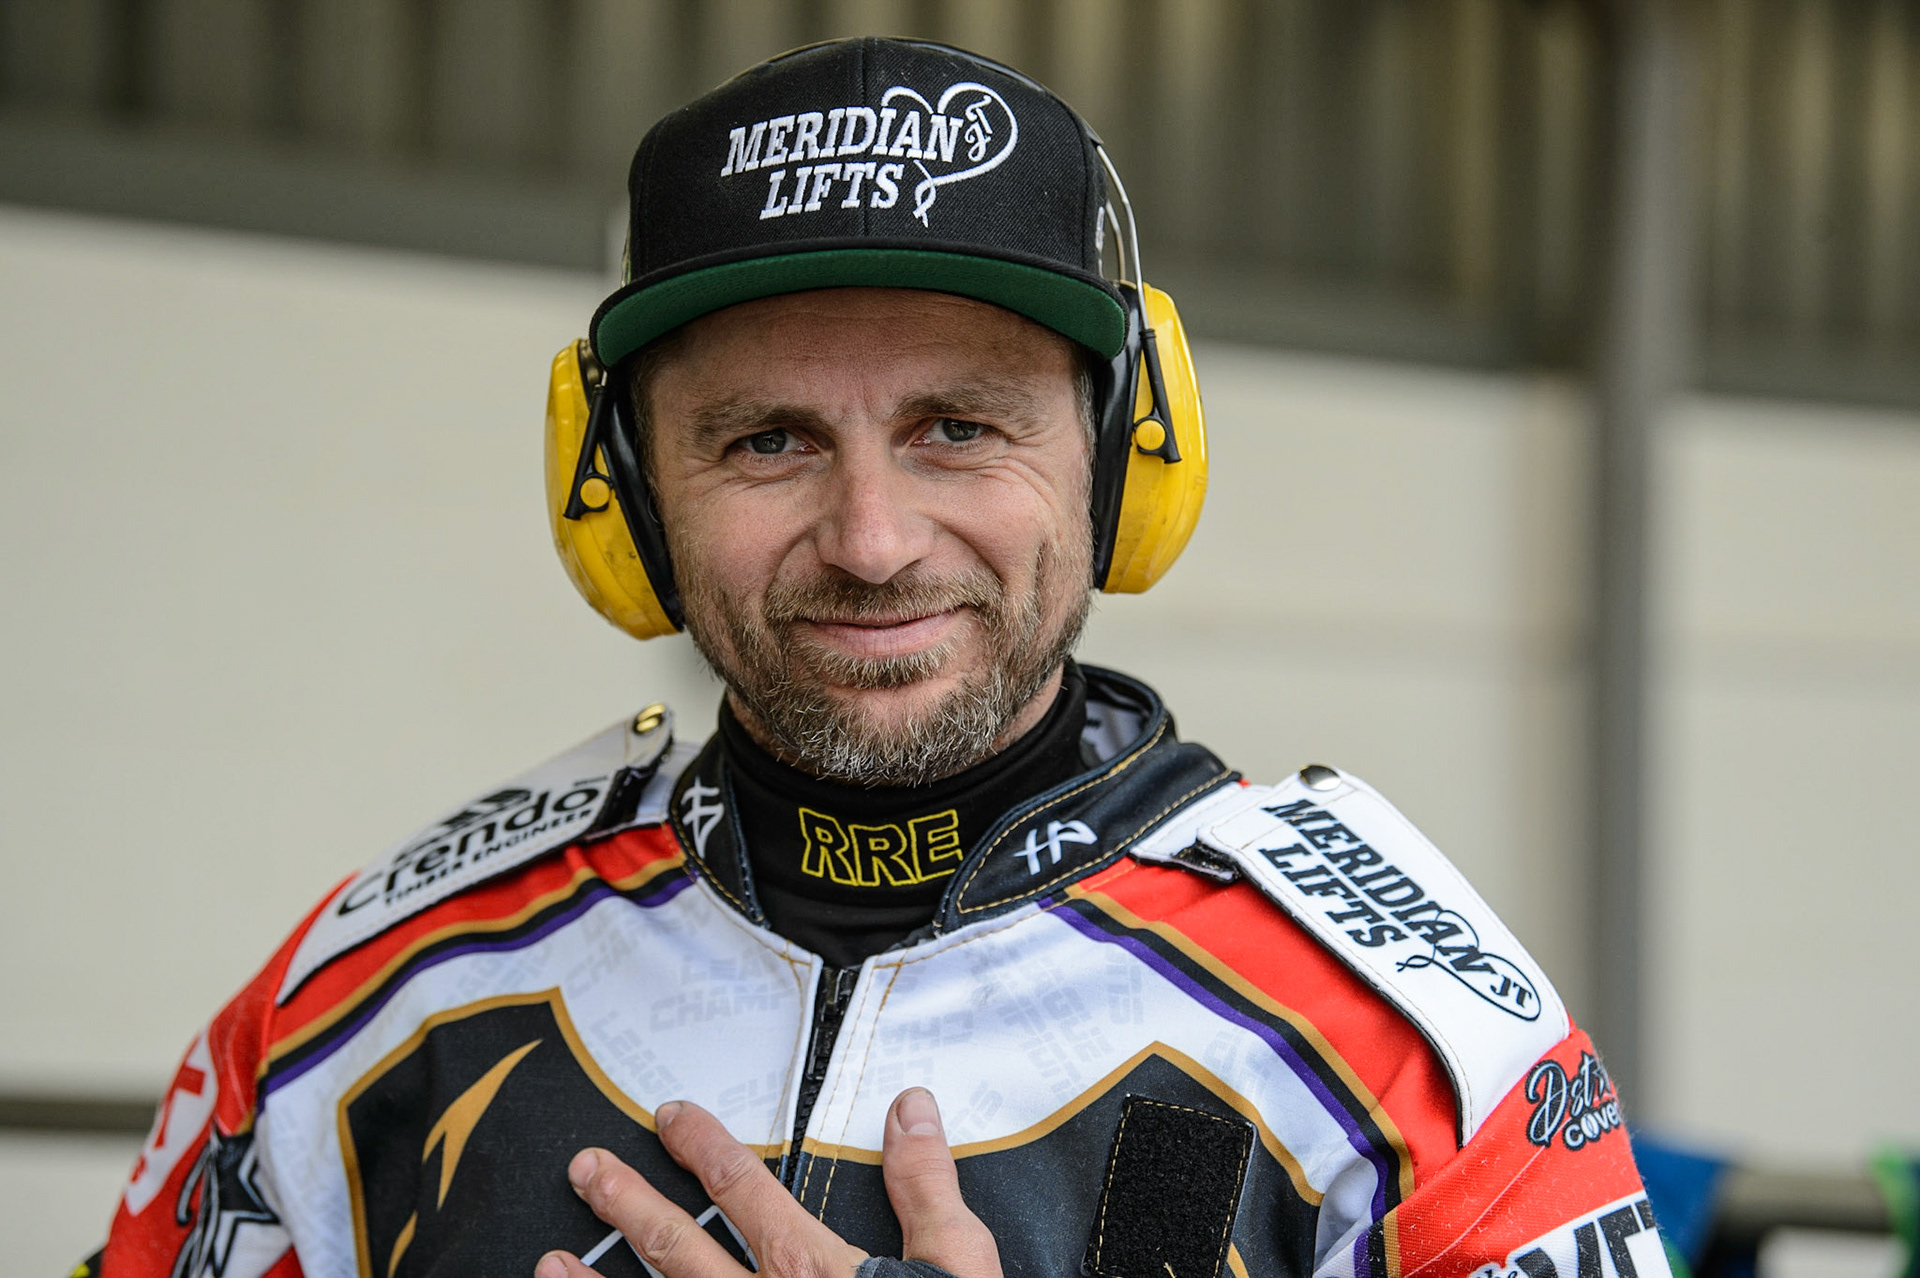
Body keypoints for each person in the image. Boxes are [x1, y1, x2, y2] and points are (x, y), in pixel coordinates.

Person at [80, 37, 1668, 1278]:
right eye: (766, 440)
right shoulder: (365, 1004)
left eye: (958, 427)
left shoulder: (1415, 1035)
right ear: (624, 495)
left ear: (1130, 459)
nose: (874, 537)